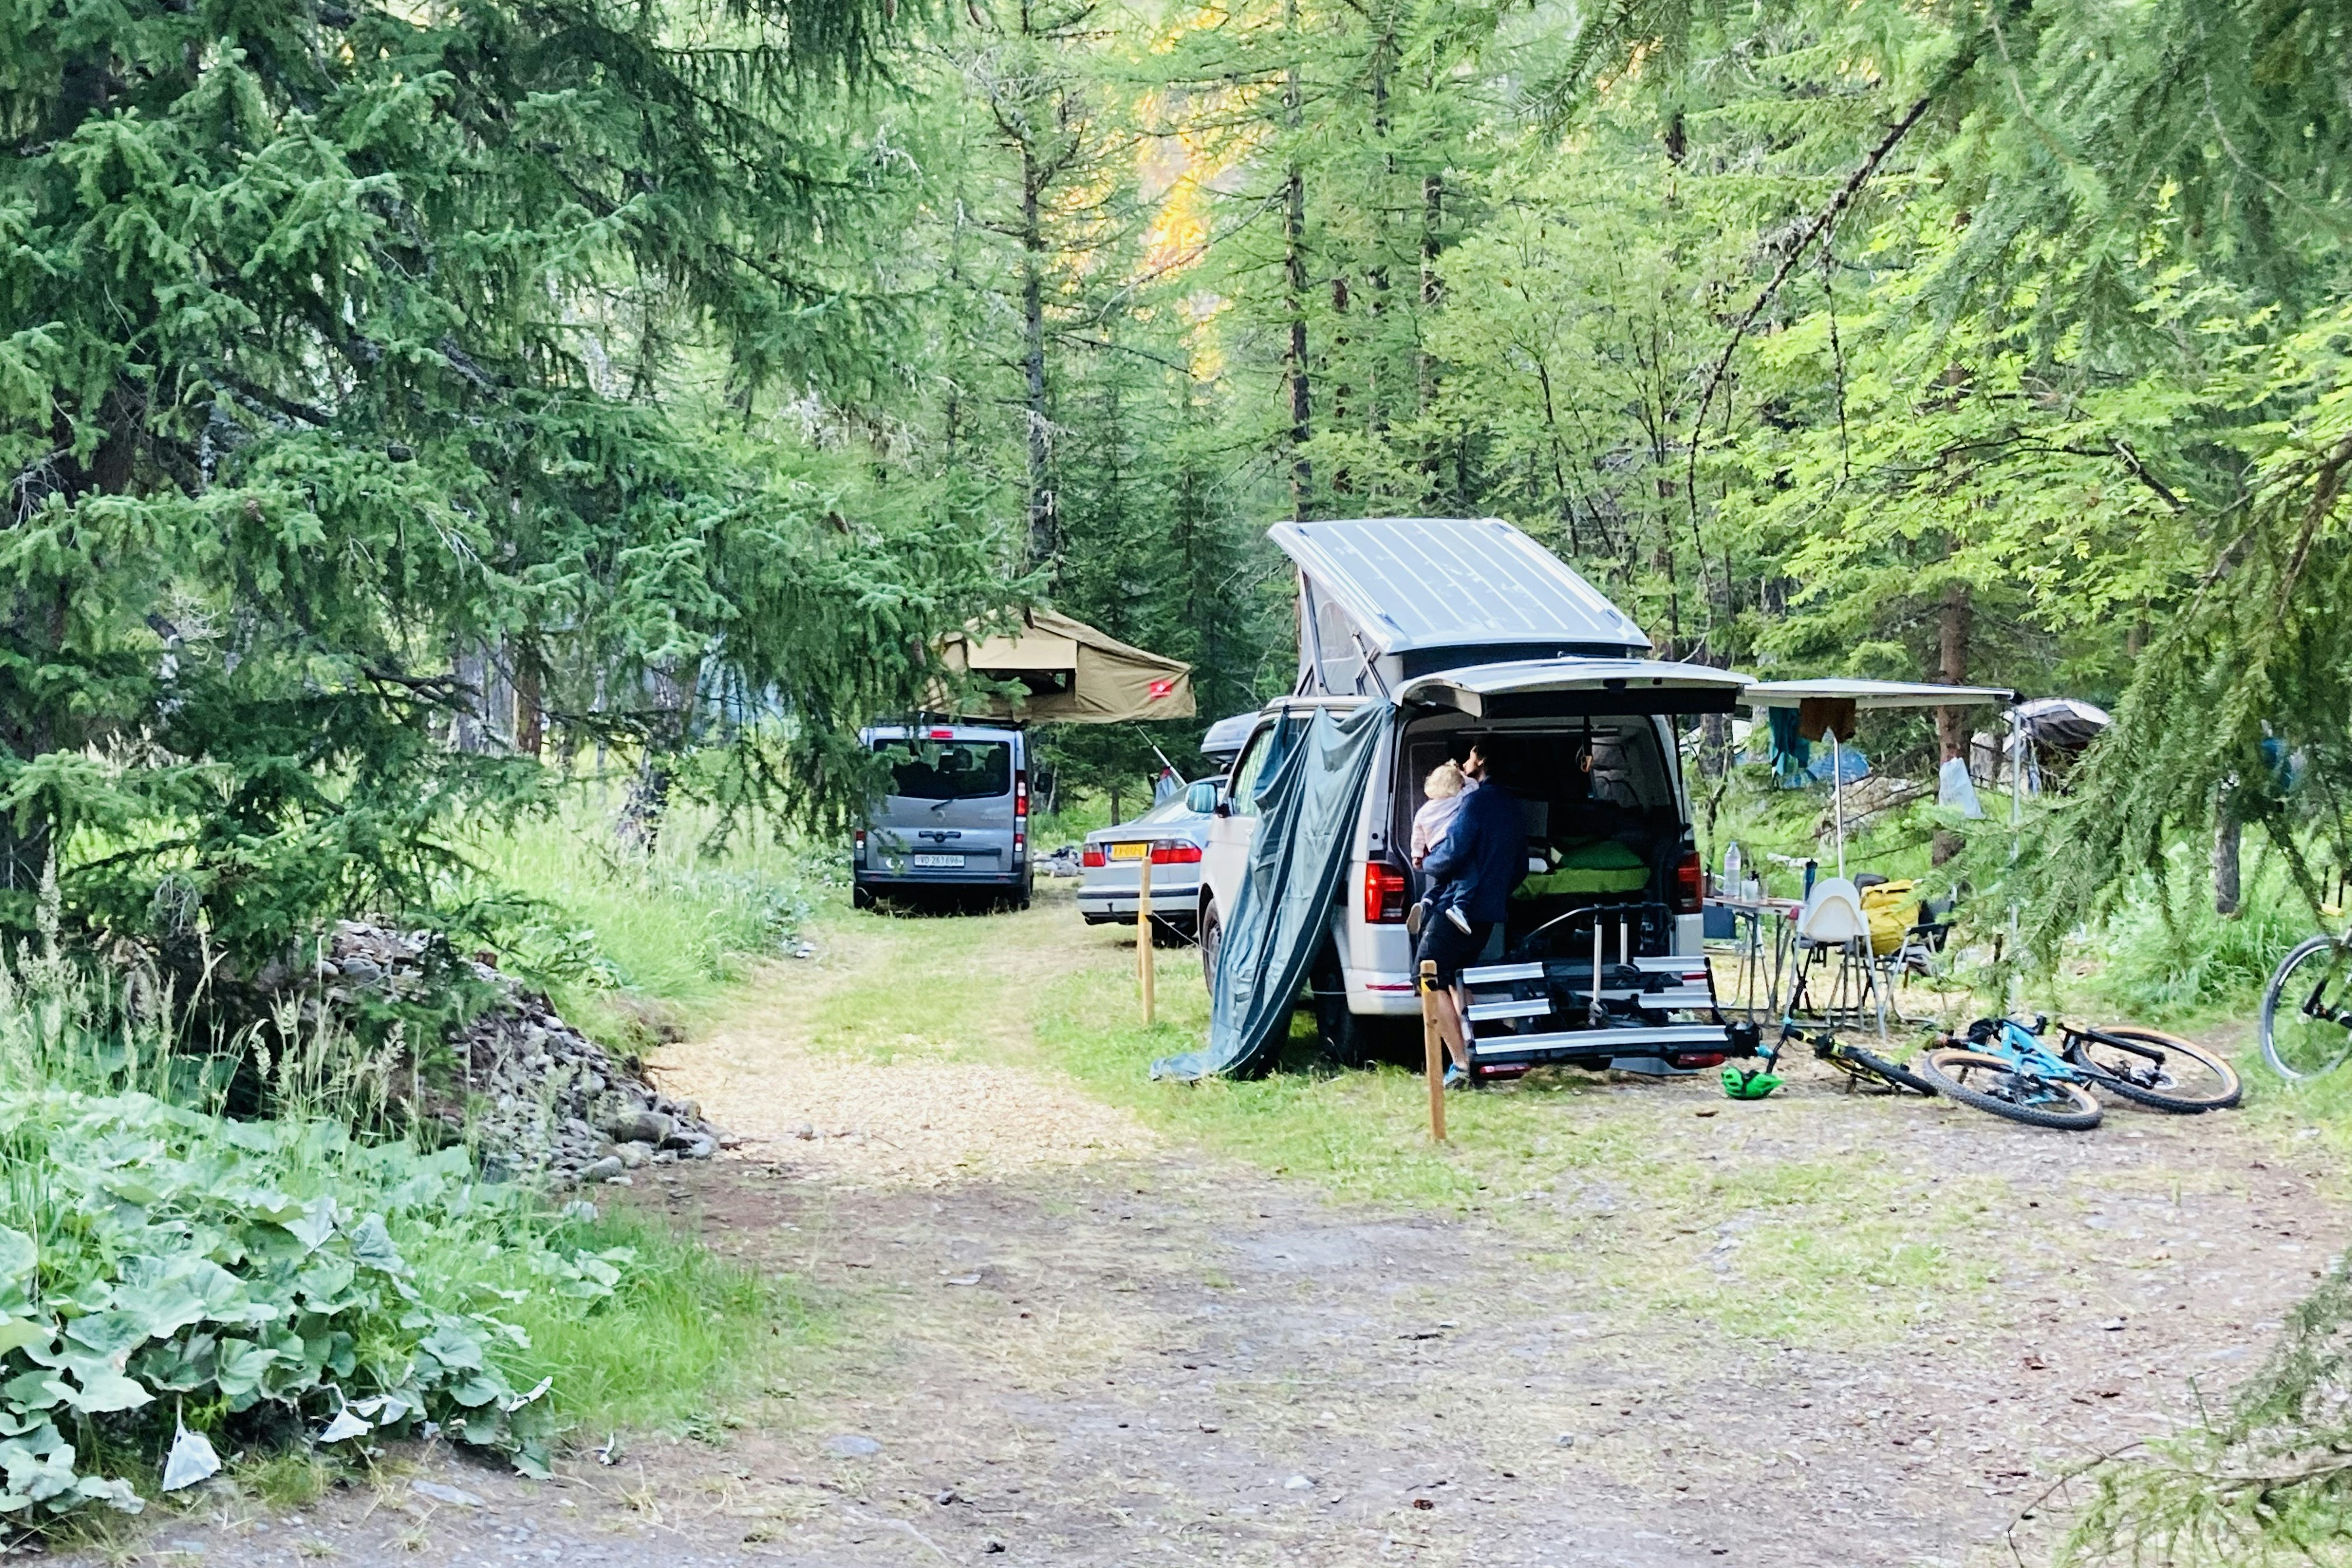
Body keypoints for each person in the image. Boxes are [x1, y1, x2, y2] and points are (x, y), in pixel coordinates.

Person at [1418, 741, 1528, 1088]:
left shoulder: (1475, 802)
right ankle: (1477, 1053)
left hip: (1456, 908)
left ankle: (1463, 1063)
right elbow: (1520, 868)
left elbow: (1453, 852)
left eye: (1470, 756)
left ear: (1480, 759)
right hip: (1488, 913)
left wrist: (1425, 862)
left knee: (1427, 975)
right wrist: (1494, 893)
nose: (1466, 761)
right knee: (1454, 977)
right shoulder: (1511, 805)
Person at [1410, 760, 1466, 866]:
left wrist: (1417, 854)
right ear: (1458, 785)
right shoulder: (1460, 798)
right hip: (1454, 843)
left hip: (1435, 850)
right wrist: (1462, 774)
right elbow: (1474, 786)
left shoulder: (1424, 811)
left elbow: (1418, 834)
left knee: (1442, 878)